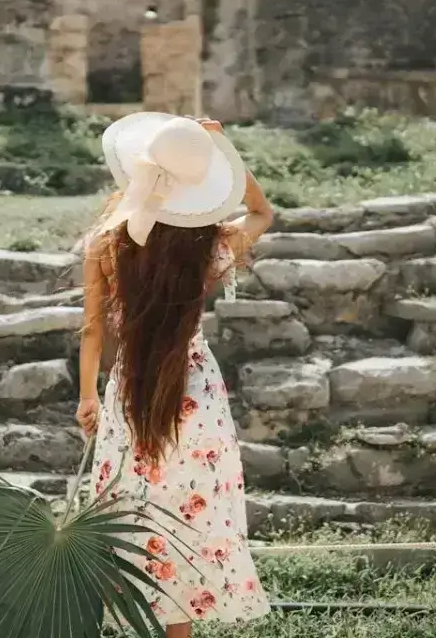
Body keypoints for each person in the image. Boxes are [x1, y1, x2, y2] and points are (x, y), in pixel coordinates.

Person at [76, 113, 275, 636]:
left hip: (129, 389)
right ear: (198, 190)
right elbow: (262, 210)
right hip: (195, 393)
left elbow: (92, 332)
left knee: (135, 514)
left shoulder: (106, 244)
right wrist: (225, 152)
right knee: (193, 513)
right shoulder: (207, 247)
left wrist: (87, 396)